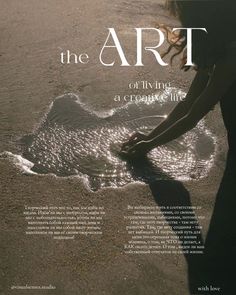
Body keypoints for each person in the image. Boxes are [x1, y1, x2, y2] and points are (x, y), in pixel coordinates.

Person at [121, 1, 236, 293]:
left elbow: (197, 112)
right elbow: (188, 103)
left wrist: (148, 146)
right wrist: (149, 138)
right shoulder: (221, 51)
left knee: (217, 262)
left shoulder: (231, 55)